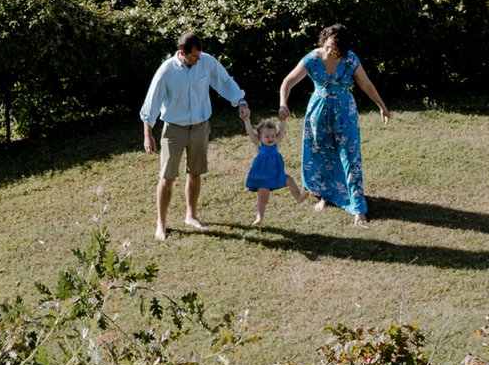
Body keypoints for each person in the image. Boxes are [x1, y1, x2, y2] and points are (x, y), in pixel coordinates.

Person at [139, 29, 252, 239]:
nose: (197, 59)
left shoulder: (206, 61)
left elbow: (224, 81)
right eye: (193, 56)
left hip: (200, 126)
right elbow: (151, 102)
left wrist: (241, 101)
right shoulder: (166, 71)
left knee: (195, 172)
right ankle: (161, 224)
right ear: (182, 52)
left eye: (199, 55)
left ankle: (191, 216)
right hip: (174, 129)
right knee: (167, 177)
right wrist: (148, 134)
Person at [278, 22, 390, 221]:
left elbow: (366, 84)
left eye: (334, 49)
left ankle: (358, 208)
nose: (329, 51)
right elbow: (288, 82)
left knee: (350, 155)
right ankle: (325, 196)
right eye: (327, 46)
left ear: (343, 49)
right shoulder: (313, 57)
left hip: (344, 112)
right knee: (322, 154)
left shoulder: (350, 59)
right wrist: (283, 104)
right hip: (318, 113)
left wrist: (382, 106)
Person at [244, 116, 290, 226]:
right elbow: (250, 132)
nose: (270, 139)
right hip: (261, 175)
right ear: (260, 136)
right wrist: (247, 120)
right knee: (263, 198)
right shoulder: (259, 143)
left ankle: (298, 196)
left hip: (274, 174)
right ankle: (259, 218)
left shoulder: (275, 142)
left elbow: (282, 131)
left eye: (273, 136)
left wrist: (283, 120)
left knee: (288, 182)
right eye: (267, 136)